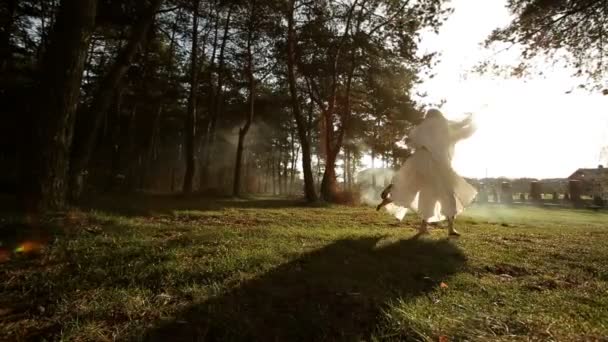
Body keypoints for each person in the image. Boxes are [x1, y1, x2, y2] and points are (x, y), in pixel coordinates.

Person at [377, 108, 478, 236]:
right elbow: (460, 128)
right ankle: (450, 229)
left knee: (418, 190)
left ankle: (395, 196)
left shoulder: (422, 127)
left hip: (420, 160)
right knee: (447, 195)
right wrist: (471, 120)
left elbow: (411, 141)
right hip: (437, 163)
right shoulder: (443, 125)